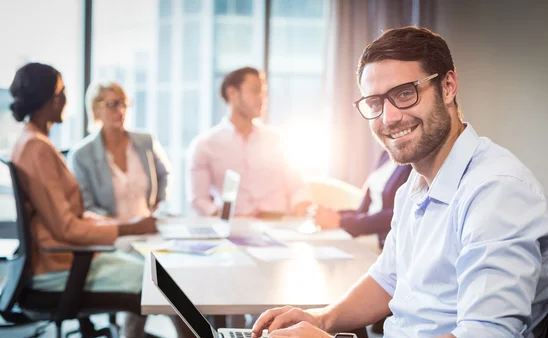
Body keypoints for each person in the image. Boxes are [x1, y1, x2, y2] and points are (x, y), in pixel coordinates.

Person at [162, 26, 548, 338]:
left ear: (448, 86)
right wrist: (322, 321)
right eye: (375, 103)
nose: (389, 118)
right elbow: (387, 280)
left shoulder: (497, 191)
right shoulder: (416, 185)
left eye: (405, 93)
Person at [9, 63, 178, 338]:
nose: (65, 100)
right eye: (60, 93)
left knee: (153, 266)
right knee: (161, 276)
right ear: (47, 98)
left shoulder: (30, 141)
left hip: (60, 257)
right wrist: (127, 229)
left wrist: (124, 224)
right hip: (60, 266)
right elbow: (67, 229)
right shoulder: (38, 148)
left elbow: (69, 216)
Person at [187, 67, 311, 218]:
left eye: (264, 93)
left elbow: (298, 187)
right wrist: (222, 216)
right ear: (232, 93)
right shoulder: (205, 145)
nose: (262, 99)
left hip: (279, 225)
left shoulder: (278, 140)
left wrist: (299, 208)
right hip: (234, 226)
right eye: (255, 91)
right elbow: (198, 200)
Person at [68, 81, 170, 220]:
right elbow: (87, 206)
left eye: (123, 103)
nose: (120, 110)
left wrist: (157, 207)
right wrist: (123, 227)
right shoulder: (81, 155)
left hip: (148, 228)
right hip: (110, 233)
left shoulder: (146, 142)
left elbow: (164, 175)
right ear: (95, 109)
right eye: (112, 104)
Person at [314, 151, 411, 249]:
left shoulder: (410, 163)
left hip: (385, 238)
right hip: (368, 230)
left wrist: (342, 222)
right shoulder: (386, 154)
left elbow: (398, 214)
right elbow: (364, 211)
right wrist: (336, 215)